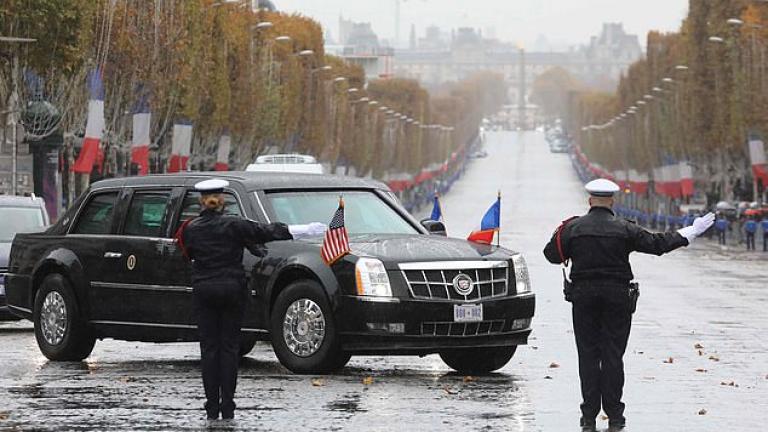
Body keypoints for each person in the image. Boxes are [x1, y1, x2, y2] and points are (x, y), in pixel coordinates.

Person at [543, 178, 714, 432]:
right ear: (612, 201)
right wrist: (691, 231)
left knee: (588, 356)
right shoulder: (624, 228)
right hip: (617, 297)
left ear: (590, 201)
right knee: (613, 356)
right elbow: (658, 245)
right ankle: (615, 416)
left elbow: (551, 254)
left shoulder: (574, 228)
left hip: (584, 297)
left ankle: (588, 417)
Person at [176, 179, 323, 421]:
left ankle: (211, 406)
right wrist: (308, 229)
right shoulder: (235, 224)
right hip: (233, 290)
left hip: (205, 291)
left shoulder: (190, 228)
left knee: (210, 349)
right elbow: (268, 232)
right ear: (222, 199)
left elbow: (187, 252)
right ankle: (229, 406)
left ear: (201, 201)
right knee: (229, 348)